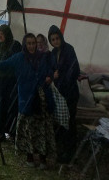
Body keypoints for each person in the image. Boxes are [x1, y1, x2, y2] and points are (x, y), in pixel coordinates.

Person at [0, 34, 56, 169]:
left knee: (42, 130)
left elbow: (50, 70)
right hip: (27, 99)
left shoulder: (42, 57)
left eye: (33, 43)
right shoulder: (19, 58)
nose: (32, 46)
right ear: (25, 45)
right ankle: (30, 156)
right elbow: (3, 64)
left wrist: (50, 76)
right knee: (28, 130)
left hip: (42, 99)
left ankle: (43, 158)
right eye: (29, 43)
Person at [48, 25, 80, 163]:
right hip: (60, 92)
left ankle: (70, 152)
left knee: (69, 121)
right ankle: (63, 149)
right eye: (53, 39)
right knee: (62, 121)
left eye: (57, 38)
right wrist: (53, 75)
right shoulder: (53, 53)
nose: (55, 41)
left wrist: (63, 80)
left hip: (70, 91)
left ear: (61, 37)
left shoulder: (69, 49)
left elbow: (74, 70)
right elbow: (51, 69)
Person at [0, 24, 22, 141]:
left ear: (7, 34)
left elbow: (17, 60)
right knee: (1, 105)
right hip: (0, 79)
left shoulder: (15, 45)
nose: (0, 36)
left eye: (2, 34)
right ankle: (0, 131)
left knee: (12, 105)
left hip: (12, 80)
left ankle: (13, 132)